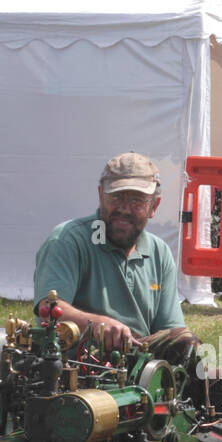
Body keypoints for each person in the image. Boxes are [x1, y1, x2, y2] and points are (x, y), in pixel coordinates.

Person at [33, 151, 191, 354]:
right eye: (116, 197)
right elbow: (49, 311)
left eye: (137, 200)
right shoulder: (67, 240)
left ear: (154, 206)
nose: (124, 209)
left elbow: (172, 333)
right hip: (79, 371)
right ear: (100, 196)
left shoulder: (159, 253)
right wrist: (98, 325)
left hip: (141, 371)